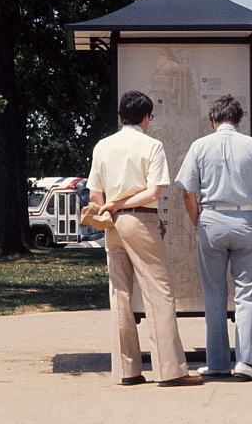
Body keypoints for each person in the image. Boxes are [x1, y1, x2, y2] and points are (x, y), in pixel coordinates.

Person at [87, 90, 203, 387]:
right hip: (141, 219)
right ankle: (171, 370)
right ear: (146, 117)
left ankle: (127, 370)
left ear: (121, 115)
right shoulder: (152, 145)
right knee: (159, 292)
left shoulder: (103, 146)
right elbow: (154, 192)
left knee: (120, 294)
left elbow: (95, 195)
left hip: (110, 225)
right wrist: (122, 204)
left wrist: (111, 206)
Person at [175, 95, 252, 381]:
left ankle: (218, 362)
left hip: (211, 218)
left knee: (214, 294)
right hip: (246, 218)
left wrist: (198, 221)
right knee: (246, 294)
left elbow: (187, 191)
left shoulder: (199, 146)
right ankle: (245, 362)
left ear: (213, 118)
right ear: (239, 118)